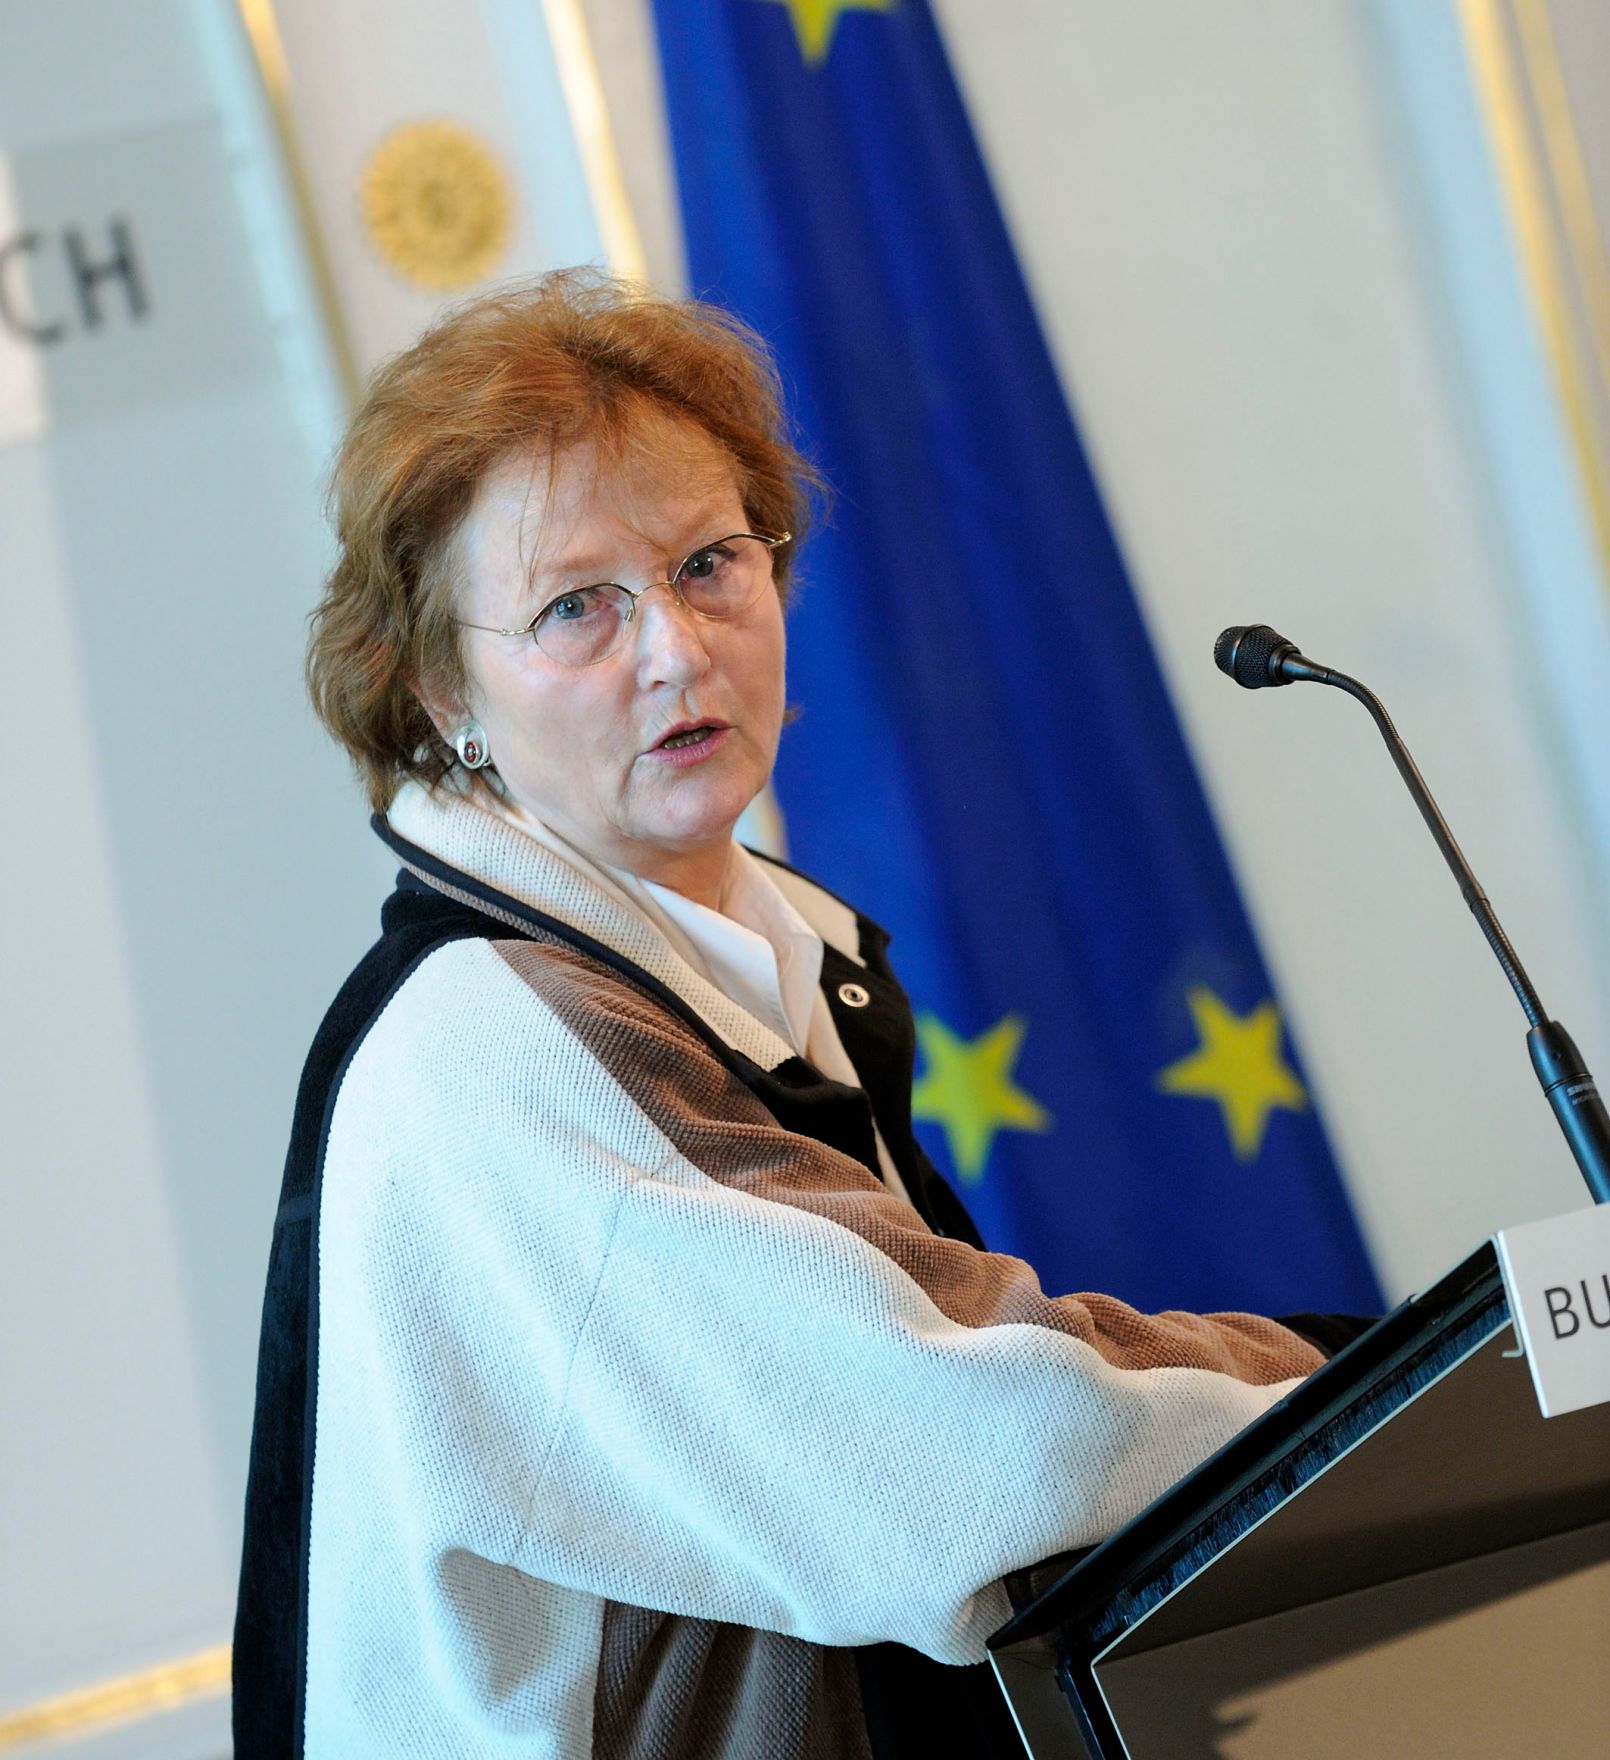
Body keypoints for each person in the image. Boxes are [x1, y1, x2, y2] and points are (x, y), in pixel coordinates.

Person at [233, 270, 1331, 1759]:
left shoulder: (750, 953)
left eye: (706, 564)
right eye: (576, 607)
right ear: (439, 692)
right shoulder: (493, 1045)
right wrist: (1343, 1376)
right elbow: (973, 1451)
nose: (677, 651)